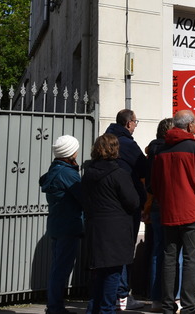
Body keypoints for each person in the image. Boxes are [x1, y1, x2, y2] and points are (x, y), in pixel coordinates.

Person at [150, 110, 195, 314]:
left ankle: (168, 305)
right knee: (190, 259)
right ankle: (189, 306)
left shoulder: (161, 151)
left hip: (169, 212)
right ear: (189, 126)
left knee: (169, 258)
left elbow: (154, 185)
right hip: (193, 211)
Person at [83, 133, 142, 314]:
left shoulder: (88, 174)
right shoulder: (119, 174)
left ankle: (94, 309)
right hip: (116, 230)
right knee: (113, 273)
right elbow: (133, 201)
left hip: (95, 227)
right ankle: (107, 310)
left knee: (99, 273)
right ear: (115, 149)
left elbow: (84, 199)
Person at [105, 109, 148, 310]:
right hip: (125, 206)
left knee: (109, 252)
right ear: (129, 123)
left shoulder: (105, 140)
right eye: (135, 122)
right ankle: (122, 295)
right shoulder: (128, 145)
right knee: (124, 251)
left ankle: (111, 295)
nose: (135, 126)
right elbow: (144, 169)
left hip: (105, 207)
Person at [40, 134, 84, 314]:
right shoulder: (67, 174)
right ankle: (55, 307)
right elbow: (83, 196)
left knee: (58, 267)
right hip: (68, 225)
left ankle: (54, 305)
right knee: (62, 269)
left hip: (57, 224)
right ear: (71, 152)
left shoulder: (55, 170)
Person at [144, 118, 177, 312]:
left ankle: (155, 298)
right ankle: (173, 296)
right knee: (174, 251)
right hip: (170, 204)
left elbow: (149, 181)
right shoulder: (167, 149)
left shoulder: (151, 152)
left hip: (155, 204)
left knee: (157, 251)